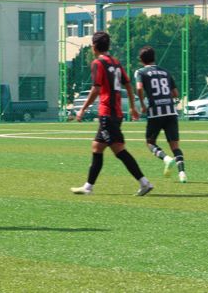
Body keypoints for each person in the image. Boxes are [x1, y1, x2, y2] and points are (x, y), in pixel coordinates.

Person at [70, 31, 153, 197]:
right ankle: (88, 186)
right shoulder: (116, 63)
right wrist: (132, 107)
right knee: (97, 147)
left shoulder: (98, 63)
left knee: (118, 149)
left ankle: (144, 182)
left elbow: (97, 88)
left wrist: (82, 109)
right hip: (116, 113)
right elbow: (128, 84)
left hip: (107, 112)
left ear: (94, 46)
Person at [135, 46, 187, 183]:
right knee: (175, 146)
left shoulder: (140, 72)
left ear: (141, 60)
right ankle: (182, 174)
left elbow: (139, 88)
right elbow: (176, 93)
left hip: (155, 113)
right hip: (171, 111)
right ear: (154, 57)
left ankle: (166, 158)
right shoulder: (165, 72)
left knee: (150, 143)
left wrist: (142, 103)